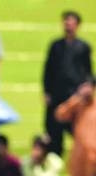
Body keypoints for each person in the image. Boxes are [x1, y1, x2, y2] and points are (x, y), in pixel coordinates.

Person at [42, 11, 92, 157]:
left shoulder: (83, 46)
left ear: (77, 25)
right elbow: (48, 69)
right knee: (54, 131)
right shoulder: (55, 46)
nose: (68, 25)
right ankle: (55, 160)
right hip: (56, 94)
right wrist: (46, 91)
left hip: (74, 97)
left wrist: (87, 87)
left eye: (71, 22)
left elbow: (88, 71)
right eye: (66, 22)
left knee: (77, 130)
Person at [55, 78, 96, 176]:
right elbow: (60, 114)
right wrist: (77, 97)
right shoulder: (78, 105)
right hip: (80, 161)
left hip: (93, 162)